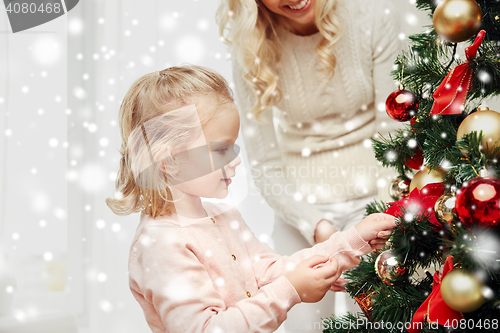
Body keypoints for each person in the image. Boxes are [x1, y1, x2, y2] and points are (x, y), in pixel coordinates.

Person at [105, 65, 397, 332]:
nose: (236, 160)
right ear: (169, 161)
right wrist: (291, 289)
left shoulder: (224, 216)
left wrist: (353, 240)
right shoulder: (161, 245)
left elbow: (271, 272)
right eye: (221, 150)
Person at [216, 0, 402, 329]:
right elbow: (264, 163)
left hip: (376, 199)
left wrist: (377, 217)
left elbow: (394, 131)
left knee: (385, 319)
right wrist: (319, 227)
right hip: (301, 210)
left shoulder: (370, 17)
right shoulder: (251, 47)